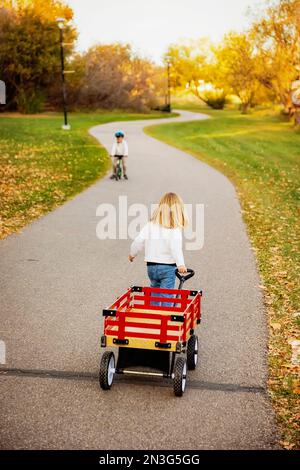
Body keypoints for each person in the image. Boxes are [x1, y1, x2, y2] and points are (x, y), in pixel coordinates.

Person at [129, 192, 188, 306]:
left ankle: (154, 316)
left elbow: (138, 241)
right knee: (167, 295)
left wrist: (132, 254)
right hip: (167, 268)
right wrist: (180, 264)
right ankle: (165, 319)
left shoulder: (150, 225)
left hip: (151, 267)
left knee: (154, 292)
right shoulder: (174, 229)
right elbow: (175, 248)